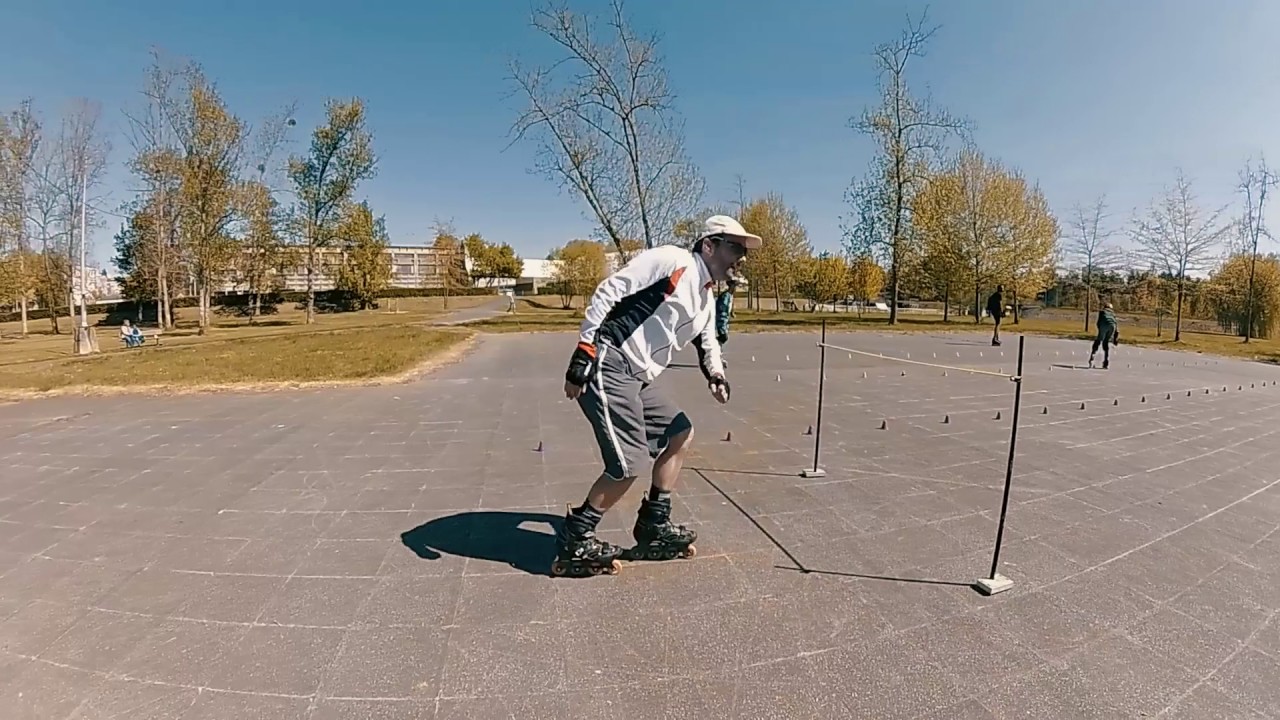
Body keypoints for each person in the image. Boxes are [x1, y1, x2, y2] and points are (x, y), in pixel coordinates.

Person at [553, 215, 760, 576]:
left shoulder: (706, 297)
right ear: (709, 246)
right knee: (629, 463)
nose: (740, 258)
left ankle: (653, 524)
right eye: (734, 248)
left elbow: (708, 341)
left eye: (744, 252)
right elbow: (610, 289)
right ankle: (576, 538)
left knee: (680, 432)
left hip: (638, 376)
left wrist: (716, 374)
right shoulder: (673, 260)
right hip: (611, 361)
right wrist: (585, 348)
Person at [1089, 302, 1120, 369]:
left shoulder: (1102, 312)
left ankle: (1092, 358)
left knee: (1098, 341)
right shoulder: (1113, 314)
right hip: (1112, 326)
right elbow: (1116, 325)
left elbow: (1098, 323)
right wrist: (1115, 338)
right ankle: (1106, 362)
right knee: (1106, 342)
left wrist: (1100, 331)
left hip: (1104, 325)